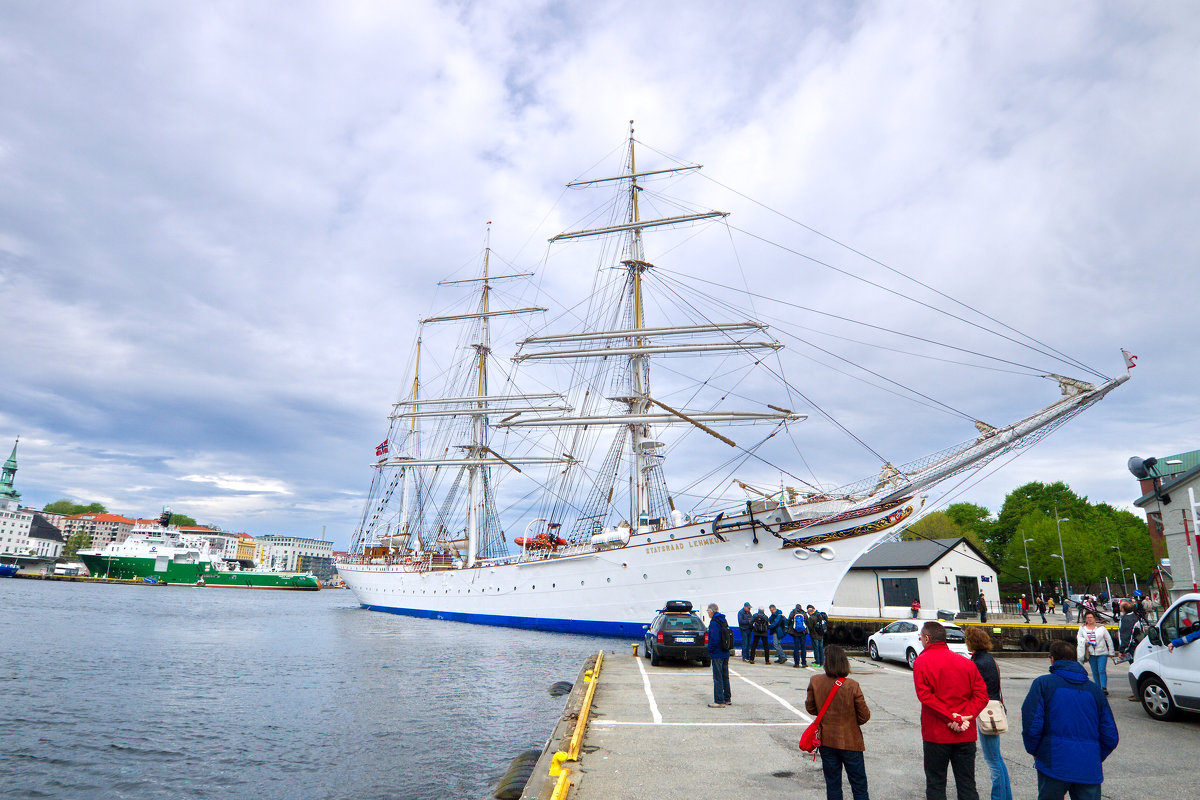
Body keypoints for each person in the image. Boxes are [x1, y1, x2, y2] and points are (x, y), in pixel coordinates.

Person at [1021, 640, 1118, 800]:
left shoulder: (1043, 684)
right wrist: (1094, 754)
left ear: (1052, 659)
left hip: (1053, 762)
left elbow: (1031, 725)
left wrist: (1038, 751)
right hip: (1088, 765)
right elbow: (1110, 735)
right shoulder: (1095, 690)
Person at [913, 621, 989, 800]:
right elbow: (982, 696)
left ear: (927, 638)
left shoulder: (921, 662)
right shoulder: (966, 663)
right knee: (967, 784)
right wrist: (963, 717)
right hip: (965, 732)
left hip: (936, 734)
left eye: (921, 637)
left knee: (936, 784)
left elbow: (926, 696)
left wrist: (950, 717)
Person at [805, 645, 871, 800]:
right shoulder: (852, 685)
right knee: (859, 786)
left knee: (833, 785)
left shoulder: (815, 681)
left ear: (826, 662)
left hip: (827, 741)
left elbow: (811, 708)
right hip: (851, 741)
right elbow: (864, 716)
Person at [964, 627, 1011, 800]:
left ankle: (998, 797)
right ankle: (1006, 796)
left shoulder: (977, 663)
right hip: (994, 708)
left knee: (993, 761)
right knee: (997, 759)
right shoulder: (989, 659)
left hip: (986, 712)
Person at [1076, 611, 1114, 695]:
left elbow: (1108, 639)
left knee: (1101, 670)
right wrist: (1085, 642)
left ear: (1094, 618)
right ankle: (1097, 687)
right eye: (1087, 618)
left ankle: (1103, 687)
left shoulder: (1101, 628)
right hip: (1090, 652)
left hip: (1102, 652)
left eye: (1091, 617)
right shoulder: (1082, 628)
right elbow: (1079, 638)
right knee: (1094, 671)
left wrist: (1111, 652)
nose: (1089, 619)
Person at [706, 603, 732, 707]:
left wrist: (710, 650)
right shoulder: (723, 620)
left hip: (717, 653)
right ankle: (727, 698)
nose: (707, 613)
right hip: (725, 652)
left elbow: (714, 639)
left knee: (717, 677)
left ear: (711, 611)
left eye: (708, 611)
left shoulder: (714, 622)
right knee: (725, 676)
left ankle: (719, 700)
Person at [788, 603, 809, 668]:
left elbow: (789, 621)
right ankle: (804, 663)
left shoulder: (793, 612)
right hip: (803, 633)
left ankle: (796, 663)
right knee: (803, 648)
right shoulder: (804, 613)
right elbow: (807, 621)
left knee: (796, 648)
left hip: (795, 633)